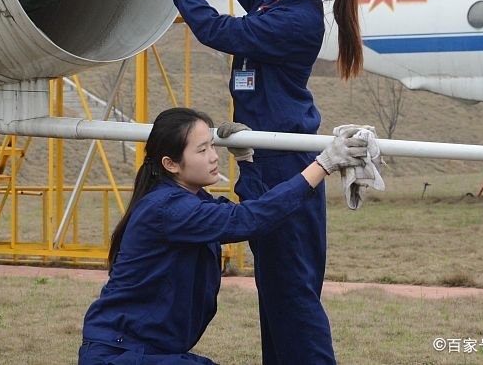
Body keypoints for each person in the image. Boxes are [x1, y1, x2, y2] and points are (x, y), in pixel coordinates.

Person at [145, 0, 363, 365]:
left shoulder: (297, 20)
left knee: (292, 289)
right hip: (259, 156)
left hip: (286, 159)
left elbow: (218, 30)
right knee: (275, 285)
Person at [80, 108, 367, 364]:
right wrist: (323, 165)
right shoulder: (167, 210)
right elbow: (249, 219)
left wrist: (247, 162)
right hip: (119, 354)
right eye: (202, 150)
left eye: (213, 146)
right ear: (171, 164)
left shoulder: (190, 203)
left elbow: (254, 216)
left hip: (149, 352)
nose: (214, 157)